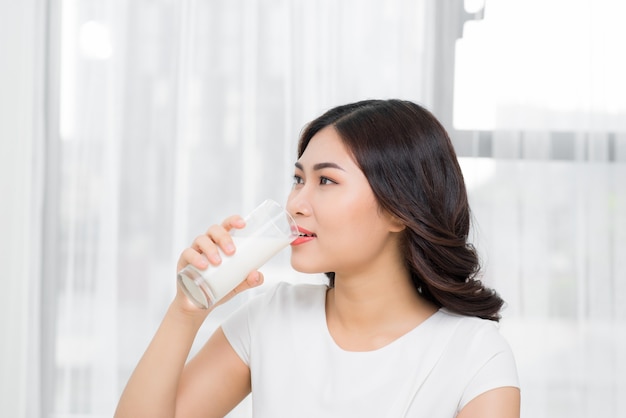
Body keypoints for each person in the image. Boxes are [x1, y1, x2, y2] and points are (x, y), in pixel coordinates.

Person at [115, 99, 520, 418]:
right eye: (298, 179)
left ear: (400, 209)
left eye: (326, 181)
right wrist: (186, 310)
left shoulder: (475, 355)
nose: (296, 204)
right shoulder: (270, 317)